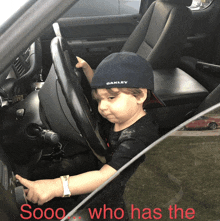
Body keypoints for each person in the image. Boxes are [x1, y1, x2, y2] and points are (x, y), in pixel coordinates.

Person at [16, 52, 164, 206]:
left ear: (140, 96)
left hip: (120, 187)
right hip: (104, 159)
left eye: (111, 98)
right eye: (99, 100)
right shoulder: (121, 114)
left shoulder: (139, 137)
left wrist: (56, 186)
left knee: (92, 210)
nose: (102, 107)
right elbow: (104, 90)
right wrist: (87, 70)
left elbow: (105, 176)